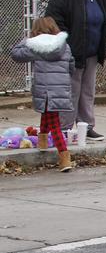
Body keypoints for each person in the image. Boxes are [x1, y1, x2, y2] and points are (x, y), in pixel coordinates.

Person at [45, 0, 106, 141]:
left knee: (88, 91)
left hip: (92, 51)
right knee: (70, 91)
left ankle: (87, 127)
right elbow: (53, 21)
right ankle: (64, 129)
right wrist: (66, 44)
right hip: (71, 52)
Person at [10, 17, 74, 172]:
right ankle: (43, 141)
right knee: (48, 113)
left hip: (45, 89)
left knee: (55, 124)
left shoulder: (35, 46)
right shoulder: (63, 45)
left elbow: (15, 54)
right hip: (60, 88)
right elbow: (71, 65)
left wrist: (26, 40)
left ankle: (64, 157)